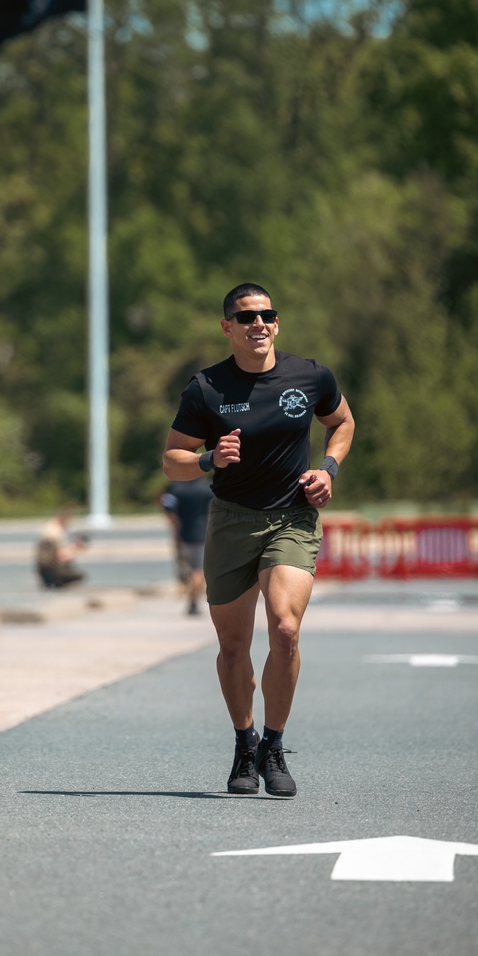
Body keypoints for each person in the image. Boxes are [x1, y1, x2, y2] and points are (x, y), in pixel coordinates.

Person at [163, 283, 354, 798]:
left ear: (277, 322)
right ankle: (244, 743)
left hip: (291, 517)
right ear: (228, 326)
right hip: (230, 522)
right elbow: (172, 460)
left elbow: (342, 421)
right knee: (232, 647)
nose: (259, 324)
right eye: (246, 317)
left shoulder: (309, 375)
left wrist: (328, 468)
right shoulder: (206, 388)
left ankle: (274, 745)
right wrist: (209, 459)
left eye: (267, 315)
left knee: (285, 628)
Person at [160, 478, 214, 615]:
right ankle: (193, 601)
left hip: (182, 534)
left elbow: (167, 509)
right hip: (203, 534)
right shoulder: (207, 488)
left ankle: (192, 600)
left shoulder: (175, 488)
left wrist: (175, 528)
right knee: (198, 570)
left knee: (187, 570)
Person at [35, 507, 88, 590]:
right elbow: (60, 555)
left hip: (44, 567)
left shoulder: (49, 527)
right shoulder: (54, 532)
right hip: (51, 568)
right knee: (78, 575)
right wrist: (74, 548)